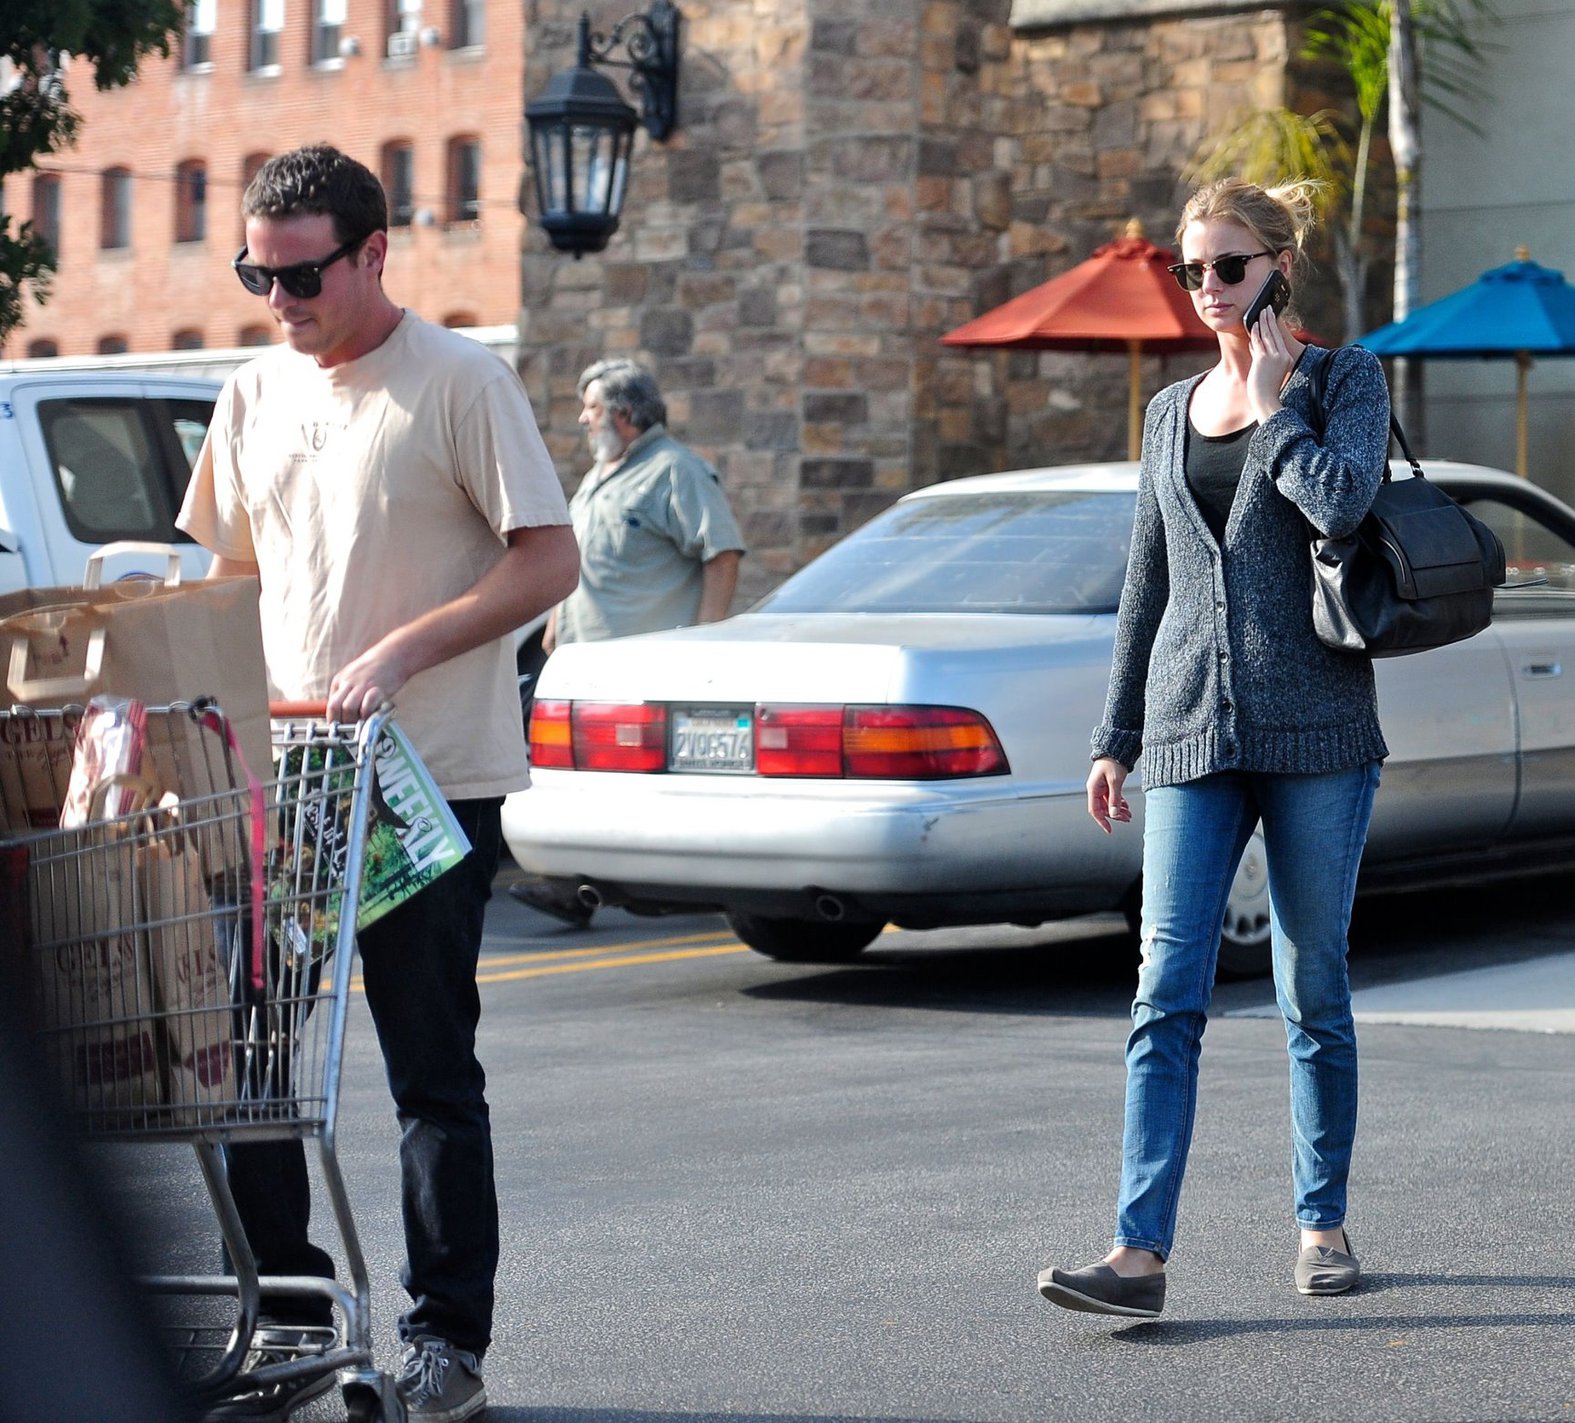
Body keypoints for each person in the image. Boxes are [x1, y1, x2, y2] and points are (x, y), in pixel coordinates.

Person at [177, 144, 579, 1420]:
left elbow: (549, 559)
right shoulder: (251, 392)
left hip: (426, 781)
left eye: (302, 275)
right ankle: (292, 1318)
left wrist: (406, 649)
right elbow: (226, 585)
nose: (279, 299)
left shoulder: (458, 380)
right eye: (257, 274)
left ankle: (445, 1339)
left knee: (427, 1071)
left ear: (373, 254)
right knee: (253, 1068)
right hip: (286, 779)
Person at [1036, 178, 1392, 1319]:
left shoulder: (1344, 379)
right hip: (1192, 726)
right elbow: (1147, 581)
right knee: (1164, 989)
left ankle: (1321, 1221)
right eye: (1191, 270)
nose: (1207, 288)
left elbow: (1342, 506)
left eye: (1228, 267)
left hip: (1318, 728)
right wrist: (1115, 735)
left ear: (1279, 266)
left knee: (1310, 985)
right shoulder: (1167, 411)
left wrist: (1277, 406)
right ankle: (1137, 1254)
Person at [511, 357, 746, 928]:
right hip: (585, 664)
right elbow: (584, 559)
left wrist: (706, 639)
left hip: (642, 670)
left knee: (632, 785)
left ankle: (631, 885)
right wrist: (555, 622)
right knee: (579, 780)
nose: (583, 419)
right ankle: (574, 885)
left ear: (623, 414)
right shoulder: (602, 473)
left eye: (591, 408)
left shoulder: (675, 471)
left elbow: (721, 552)